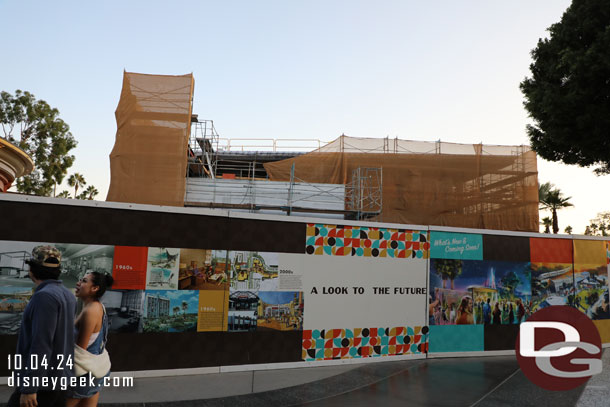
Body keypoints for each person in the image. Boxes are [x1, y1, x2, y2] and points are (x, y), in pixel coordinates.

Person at [8, 245, 76, 407]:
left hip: (43, 383)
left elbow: (41, 344)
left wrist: (30, 387)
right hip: (59, 379)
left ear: (33, 269)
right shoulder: (66, 294)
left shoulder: (44, 296)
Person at [66, 271, 114, 407]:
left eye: (84, 281)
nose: (78, 283)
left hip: (84, 375)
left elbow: (80, 352)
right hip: (95, 373)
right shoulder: (98, 306)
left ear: (95, 288)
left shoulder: (90, 311)